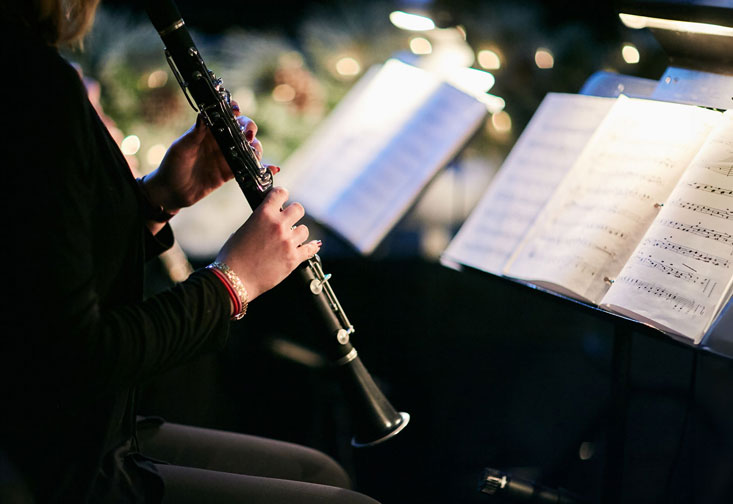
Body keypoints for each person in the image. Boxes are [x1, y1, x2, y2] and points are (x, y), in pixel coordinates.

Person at [0, 1, 380, 503]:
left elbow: (38, 265)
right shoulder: (36, 88)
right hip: (54, 455)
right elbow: (80, 358)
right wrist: (232, 282)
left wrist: (157, 199)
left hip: (70, 429)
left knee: (319, 474)